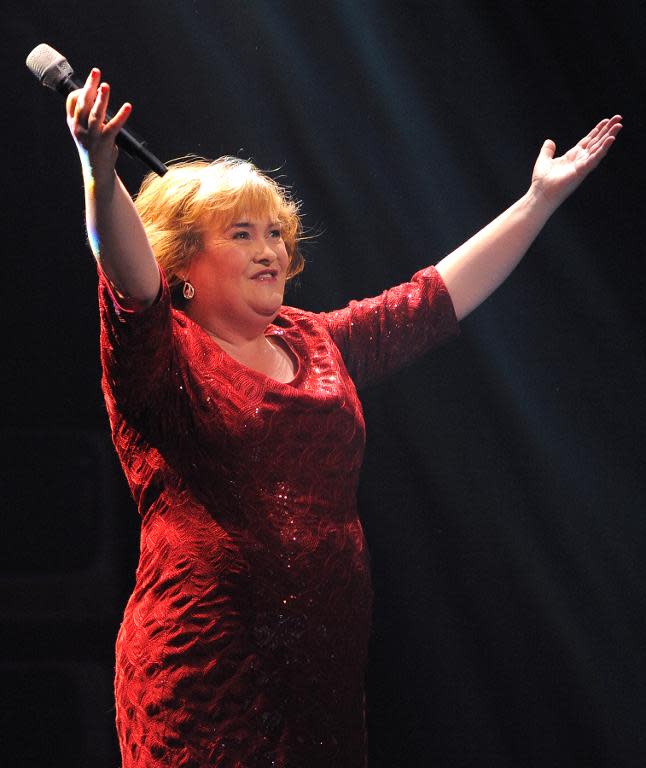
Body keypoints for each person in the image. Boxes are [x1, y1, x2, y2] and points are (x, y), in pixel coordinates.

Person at [65, 66, 621, 768]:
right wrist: (99, 168)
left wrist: (537, 202)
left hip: (322, 677)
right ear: (180, 263)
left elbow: (435, 299)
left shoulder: (316, 342)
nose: (270, 250)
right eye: (241, 234)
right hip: (201, 669)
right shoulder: (159, 360)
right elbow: (126, 279)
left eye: (276, 232)